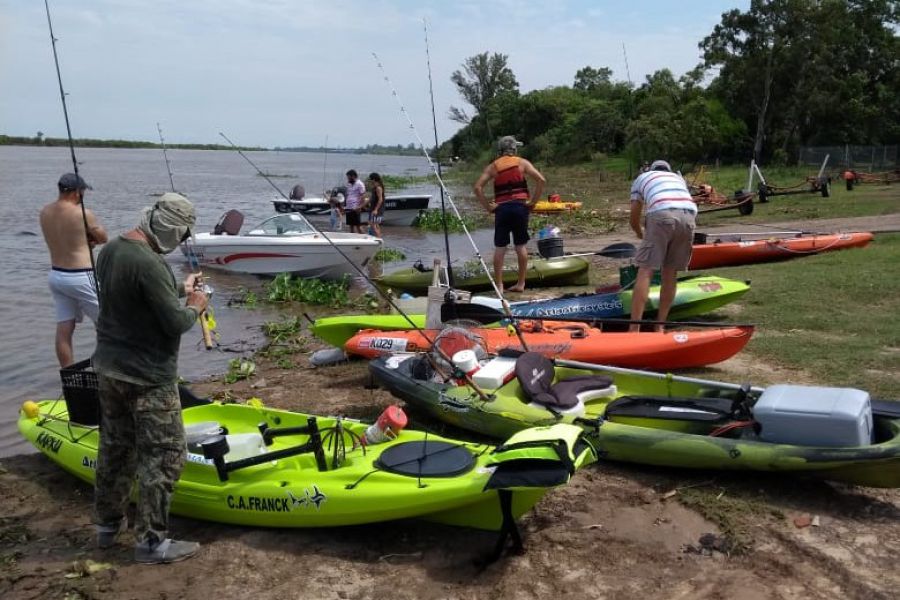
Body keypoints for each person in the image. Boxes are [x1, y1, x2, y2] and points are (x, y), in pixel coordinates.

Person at [91, 193, 209, 564]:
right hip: (148, 378)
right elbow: (175, 323)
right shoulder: (150, 263)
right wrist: (195, 305)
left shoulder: (111, 250)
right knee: (165, 456)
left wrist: (180, 288)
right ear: (172, 228)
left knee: (115, 449)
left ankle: (107, 527)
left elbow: (137, 292)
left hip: (109, 370)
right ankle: (152, 542)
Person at [39, 173, 108, 367]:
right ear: (77, 192)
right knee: (108, 326)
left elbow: (67, 238)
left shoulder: (45, 211)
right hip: (81, 275)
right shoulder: (83, 212)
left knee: (64, 328)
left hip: (56, 275)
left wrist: (84, 240)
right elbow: (103, 237)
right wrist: (92, 238)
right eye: (83, 191)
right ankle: (107, 371)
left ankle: (69, 376)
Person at [628, 160, 697, 332]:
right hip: (689, 216)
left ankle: (634, 329)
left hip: (661, 213)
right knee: (670, 272)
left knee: (646, 270)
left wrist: (638, 232)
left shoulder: (642, 177)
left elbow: (634, 216)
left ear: (651, 169)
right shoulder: (678, 179)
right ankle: (660, 326)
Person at [474, 135, 546, 293]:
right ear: (514, 149)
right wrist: (533, 202)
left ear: (500, 150)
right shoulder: (523, 163)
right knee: (520, 245)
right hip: (520, 208)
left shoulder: (493, 166)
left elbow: (477, 188)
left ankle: (499, 285)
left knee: (500, 247)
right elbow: (541, 180)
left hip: (502, 209)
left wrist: (488, 207)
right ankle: (521, 284)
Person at [343, 170, 367, 234]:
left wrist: (360, 207)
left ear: (353, 176)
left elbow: (363, 195)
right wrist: (344, 205)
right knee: (351, 225)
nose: (348, 179)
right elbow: (347, 195)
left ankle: (364, 239)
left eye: (348, 177)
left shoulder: (360, 184)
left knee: (358, 225)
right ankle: (353, 239)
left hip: (356, 207)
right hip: (349, 207)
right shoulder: (349, 184)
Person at [366, 172, 385, 237]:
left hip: (377, 210)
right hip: (372, 209)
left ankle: (378, 240)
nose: (370, 181)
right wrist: (361, 206)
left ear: (374, 179)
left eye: (370, 179)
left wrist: (376, 209)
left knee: (373, 225)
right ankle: (377, 239)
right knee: (375, 225)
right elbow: (370, 199)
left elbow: (380, 200)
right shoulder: (374, 188)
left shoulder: (378, 188)